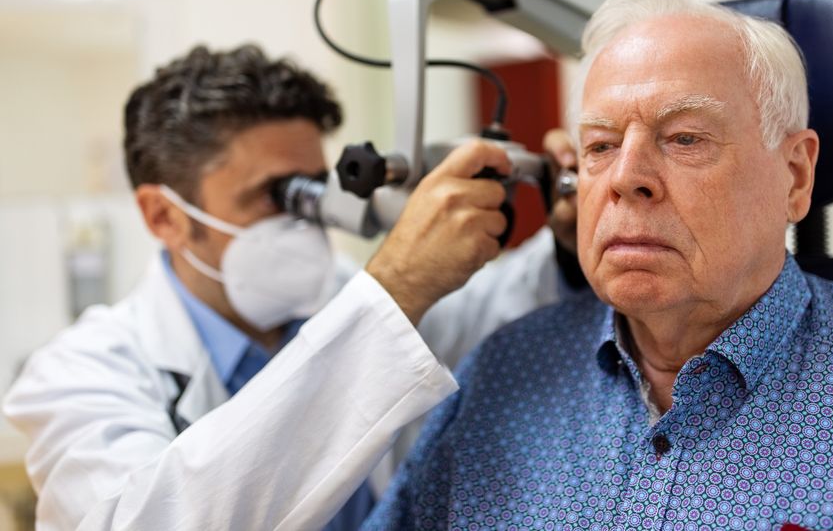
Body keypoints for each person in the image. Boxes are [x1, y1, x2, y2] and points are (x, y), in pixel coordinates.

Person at [364, 0, 833, 530]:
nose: (625, 177)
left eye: (685, 138)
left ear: (794, 177)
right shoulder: (500, 375)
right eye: (600, 145)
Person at [2, 45, 581, 530]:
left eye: (312, 190)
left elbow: (490, 315)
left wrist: (567, 241)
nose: (306, 218)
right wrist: (397, 285)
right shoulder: (79, 374)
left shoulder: (346, 300)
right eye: (275, 195)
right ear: (163, 217)